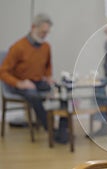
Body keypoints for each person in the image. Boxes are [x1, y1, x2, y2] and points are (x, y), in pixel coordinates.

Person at [0, 13, 68, 144]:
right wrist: (19, 83)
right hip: (19, 83)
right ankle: (51, 131)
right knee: (33, 95)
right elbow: (3, 72)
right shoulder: (18, 47)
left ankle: (63, 130)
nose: (45, 35)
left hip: (37, 81)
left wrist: (48, 77)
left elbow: (48, 66)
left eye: (47, 32)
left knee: (63, 92)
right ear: (33, 27)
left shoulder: (46, 46)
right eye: (43, 32)